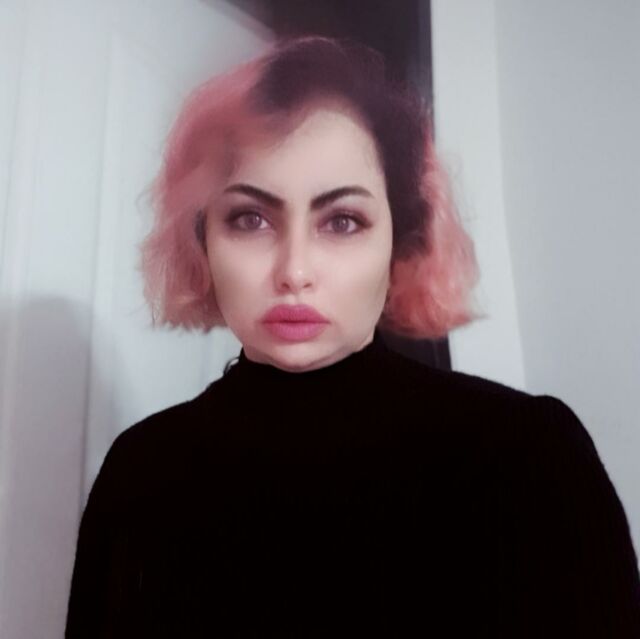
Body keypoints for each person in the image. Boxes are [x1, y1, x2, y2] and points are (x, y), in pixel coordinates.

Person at [64, 36, 640, 638]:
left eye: (342, 221)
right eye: (250, 218)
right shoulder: (141, 471)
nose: (294, 270)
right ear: (201, 240)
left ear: (400, 243)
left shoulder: (530, 455)